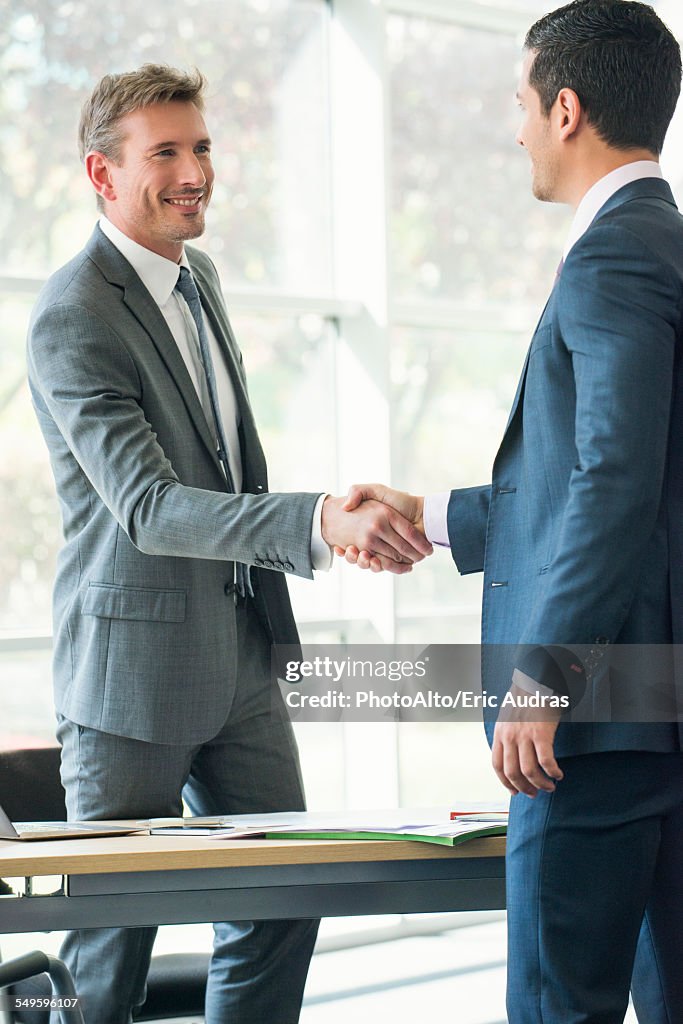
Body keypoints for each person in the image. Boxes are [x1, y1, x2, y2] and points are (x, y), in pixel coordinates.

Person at [27, 65, 431, 1024]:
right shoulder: (72, 314)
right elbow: (152, 507)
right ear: (102, 171)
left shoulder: (196, 277)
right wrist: (315, 520)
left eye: (200, 146)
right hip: (130, 679)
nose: (193, 170)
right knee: (112, 945)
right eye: (163, 152)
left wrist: (314, 532)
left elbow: (226, 463)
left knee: (281, 898)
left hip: (241, 657)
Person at [339, 2, 683, 1021]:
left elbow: (612, 479)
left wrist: (547, 672)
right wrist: (436, 517)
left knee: (553, 1004)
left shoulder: (608, 256)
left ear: (564, 108)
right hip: (658, 701)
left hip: (601, 715)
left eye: (520, 104)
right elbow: (624, 482)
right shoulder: (662, 244)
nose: (514, 129)